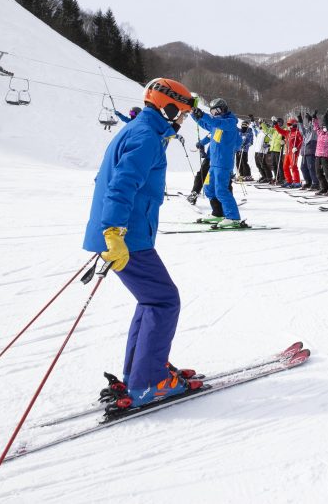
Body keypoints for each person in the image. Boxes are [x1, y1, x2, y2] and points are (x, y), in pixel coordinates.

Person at [84, 77, 202, 409]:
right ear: (167, 107)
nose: (181, 120)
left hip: (124, 234)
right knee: (164, 300)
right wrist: (113, 232)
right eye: (180, 113)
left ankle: (143, 372)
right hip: (126, 237)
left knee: (152, 300)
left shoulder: (141, 131)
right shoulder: (146, 137)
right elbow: (121, 185)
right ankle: (149, 381)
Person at [191, 98, 243, 228]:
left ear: (223, 109)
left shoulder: (230, 123)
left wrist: (204, 115)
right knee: (209, 188)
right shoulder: (217, 124)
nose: (215, 113)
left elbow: (215, 121)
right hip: (213, 163)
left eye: (217, 110)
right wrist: (194, 113)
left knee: (221, 190)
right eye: (212, 111)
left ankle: (233, 217)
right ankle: (217, 213)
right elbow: (205, 124)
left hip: (223, 163)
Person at [274, 117, 303, 187]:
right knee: (285, 167)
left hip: (293, 153)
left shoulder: (297, 133)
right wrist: (275, 125)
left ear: (294, 125)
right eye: (288, 125)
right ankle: (289, 181)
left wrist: (297, 148)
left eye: (290, 124)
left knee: (293, 167)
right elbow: (280, 130)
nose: (289, 126)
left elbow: (301, 141)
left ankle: (297, 182)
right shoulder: (287, 133)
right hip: (287, 152)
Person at [313, 111, 328, 195]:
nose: (323, 128)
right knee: (318, 172)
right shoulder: (320, 133)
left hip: (326, 155)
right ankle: (323, 187)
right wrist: (314, 119)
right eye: (323, 127)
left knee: (327, 172)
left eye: (325, 127)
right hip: (318, 155)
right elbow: (316, 127)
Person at [300, 111, 318, 190]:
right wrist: (300, 121)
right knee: (303, 167)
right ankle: (308, 181)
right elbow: (301, 130)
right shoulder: (305, 133)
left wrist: (312, 119)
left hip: (310, 152)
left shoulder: (313, 133)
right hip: (304, 153)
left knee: (311, 168)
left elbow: (313, 127)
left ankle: (315, 182)